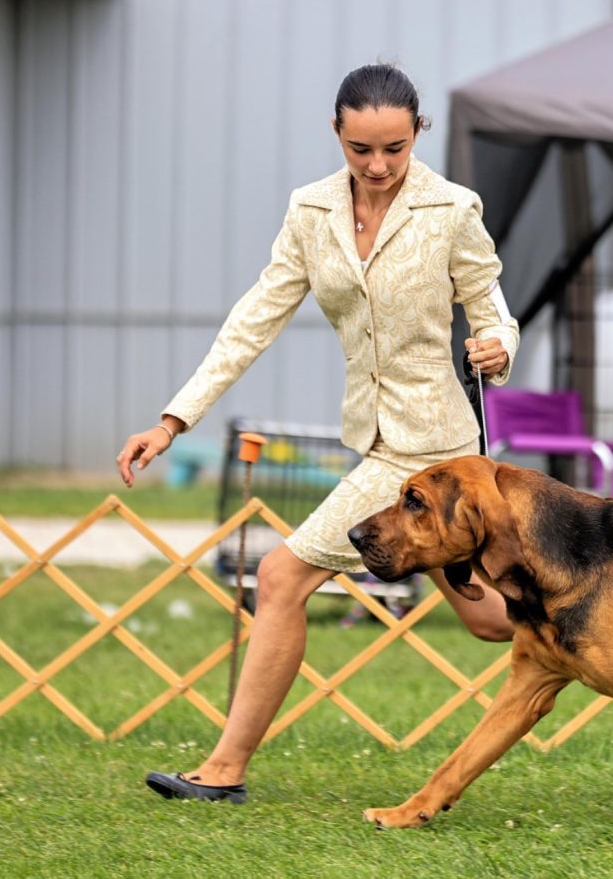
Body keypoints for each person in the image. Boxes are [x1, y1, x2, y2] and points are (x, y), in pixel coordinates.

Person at [118, 63, 519, 803]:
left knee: (281, 577)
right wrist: (175, 419)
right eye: (361, 148)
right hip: (374, 443)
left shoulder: (453, 209)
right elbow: (253, 321)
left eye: (394, 149)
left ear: (417, 135)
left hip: (434, 450)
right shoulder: (310, 213)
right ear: (336, 133)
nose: (376, 166)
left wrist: (498, 345)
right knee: (497, 622)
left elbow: (492, 308)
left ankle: (225, 771)